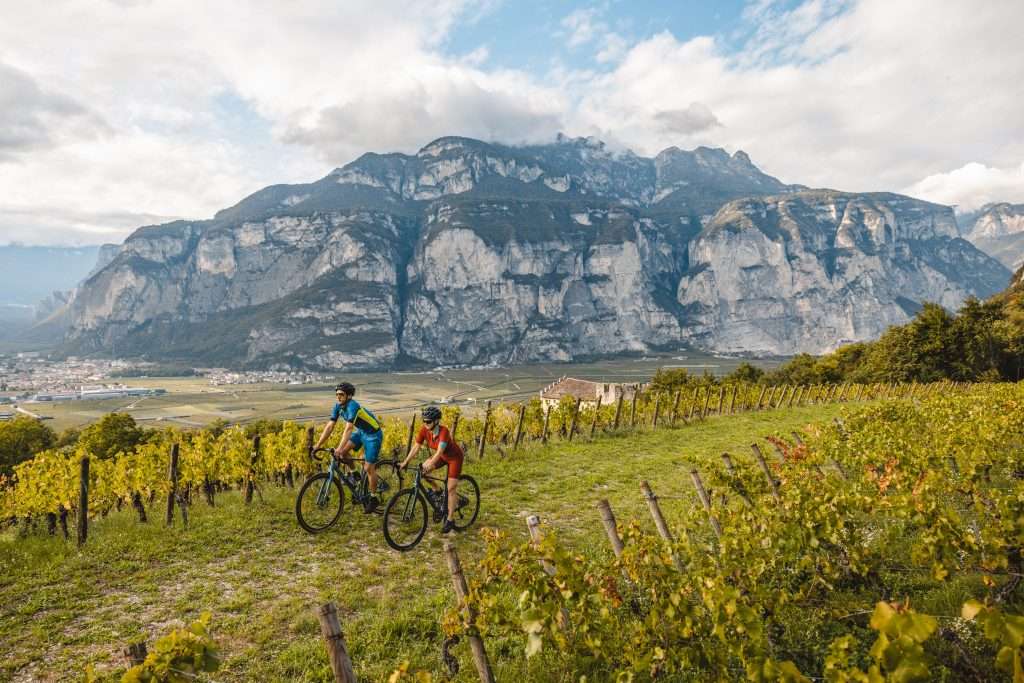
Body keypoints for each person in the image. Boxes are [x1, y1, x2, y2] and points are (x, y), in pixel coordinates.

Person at [314, 382, 384, 512]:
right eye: (337, 395)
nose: (338, 397)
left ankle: (374, 498)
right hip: (362, 432)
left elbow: (348, 429)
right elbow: (330, 426)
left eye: (341, 394)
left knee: (369, 467)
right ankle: (354, 474)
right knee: (344, 453)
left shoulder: (353, 406)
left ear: (349, 396)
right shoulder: (338, 406)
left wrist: (339, 449)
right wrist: (318, 445)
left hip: (373, 434)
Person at [401, 405, 465, 534]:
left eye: (428, 421)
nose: (425, 423)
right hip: (441, 456)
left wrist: (430, 464)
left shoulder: (444, 432)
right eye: (424, 421)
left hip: (454, 457)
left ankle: (450, 519)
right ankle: (438, 491)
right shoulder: (424, 430)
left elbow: (439, 451)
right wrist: (406, 461)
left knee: (451, 488)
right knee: (422, 473)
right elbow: (416, 447)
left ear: (436, 421)